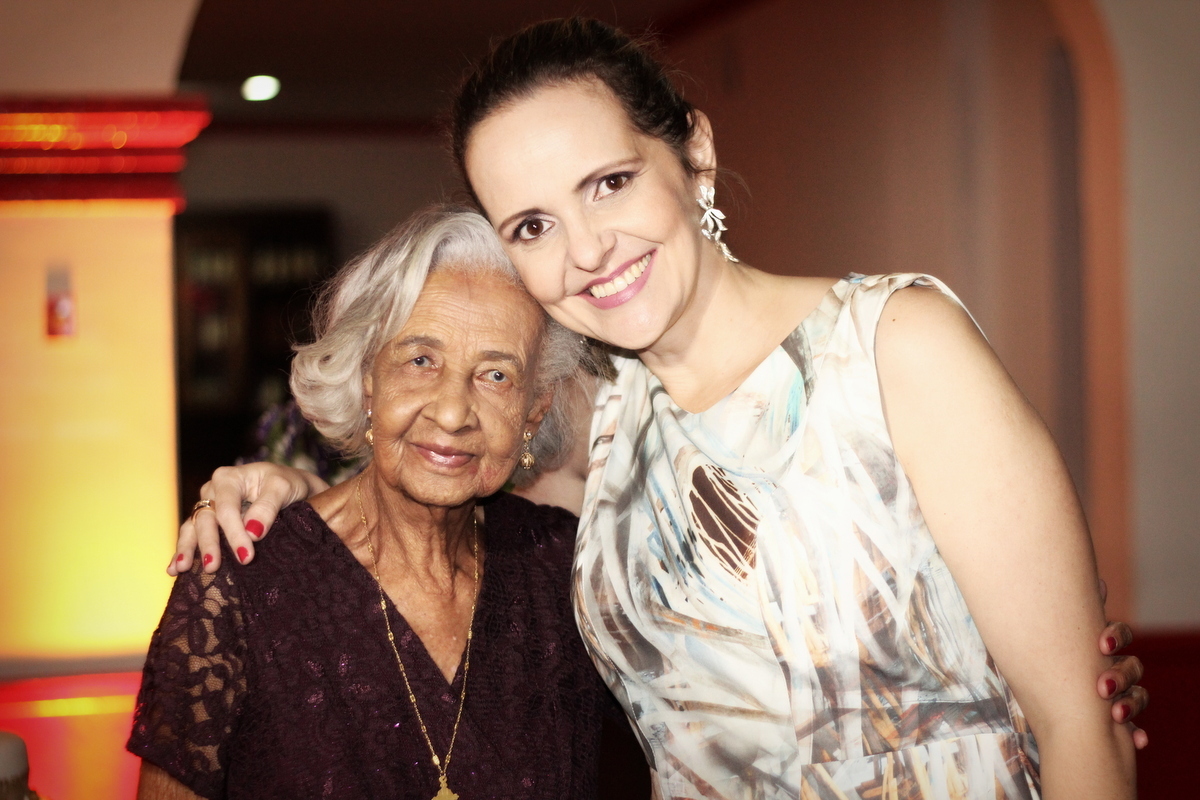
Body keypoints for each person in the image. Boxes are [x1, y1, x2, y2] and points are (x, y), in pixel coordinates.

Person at [176, 18, 1146, 799]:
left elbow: (1080, 717)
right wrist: (288, 486)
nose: (587, 249)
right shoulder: (592, 428)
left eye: (609, 183)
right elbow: (434, 470)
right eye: (534, 225)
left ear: (695, 153)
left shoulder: (896, 345)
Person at [129, 208, 619, 799]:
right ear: (368, 379)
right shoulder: (241, 585)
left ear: (533, 410)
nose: (451, 411)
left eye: (495, 376)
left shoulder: (567, 568)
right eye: (420, 361)